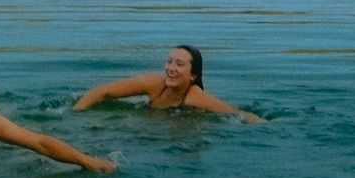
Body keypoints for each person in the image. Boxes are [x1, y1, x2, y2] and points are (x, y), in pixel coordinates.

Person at [72, 43, 266, 123]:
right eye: (169, 61)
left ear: (193, 75)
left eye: (179, 64)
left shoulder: (195, 97)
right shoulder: (154, 83)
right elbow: (104, 91)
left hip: (182, 130)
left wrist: (268, 124)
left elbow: (237, 114)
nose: (171, 68)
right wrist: (76, 113)